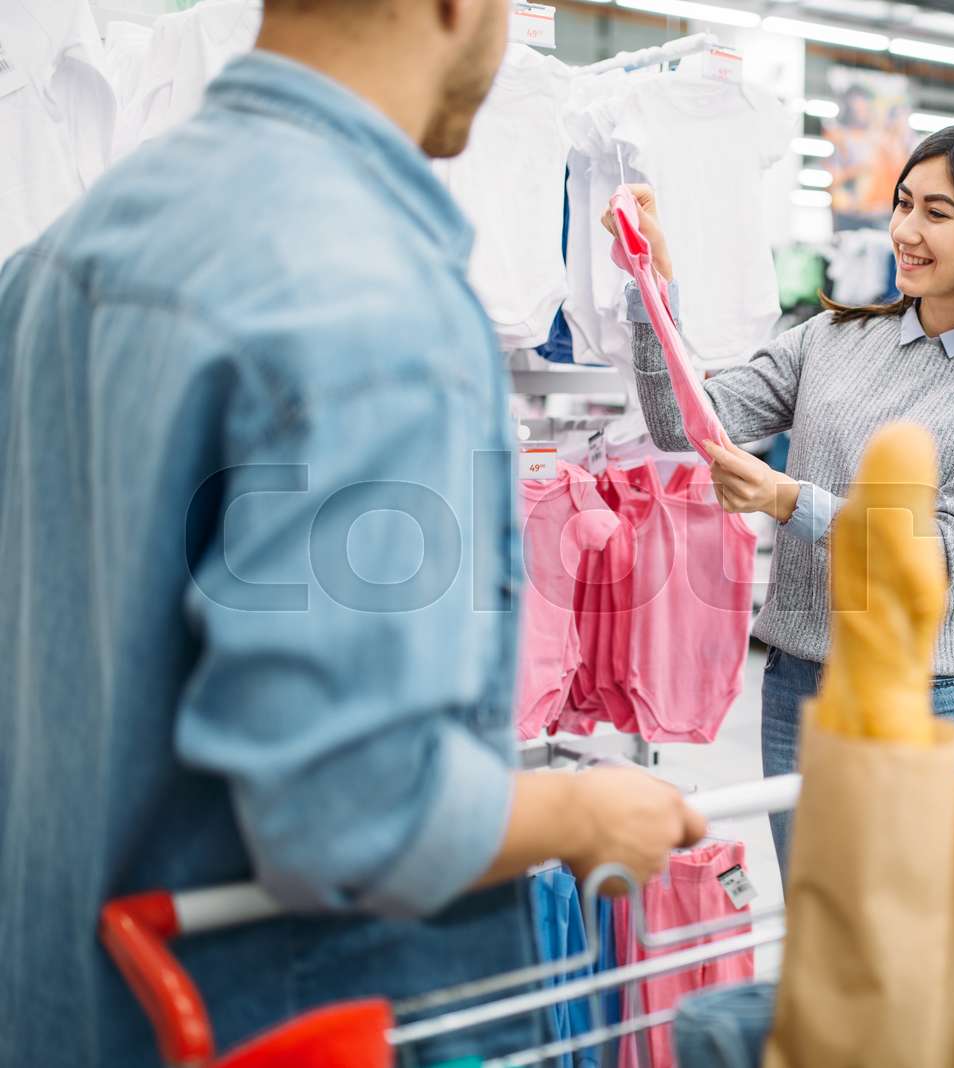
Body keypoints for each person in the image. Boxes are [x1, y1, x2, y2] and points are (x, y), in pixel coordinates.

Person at [0, 1, 704, 1063]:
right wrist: (584, 814)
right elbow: (355, 809)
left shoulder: (62, 258)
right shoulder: (366, 293)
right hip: (275, 1019)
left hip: (75, 1005)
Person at [603, 121, 954, 874]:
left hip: (924, 704)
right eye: (903, 204)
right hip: (798, 691)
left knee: (922, 940)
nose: (905, 231)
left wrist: (791, 501)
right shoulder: (830, 338)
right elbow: (683, 423)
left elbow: (946, 548)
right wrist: (651, 287)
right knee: (817, 930)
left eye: (936, 213)